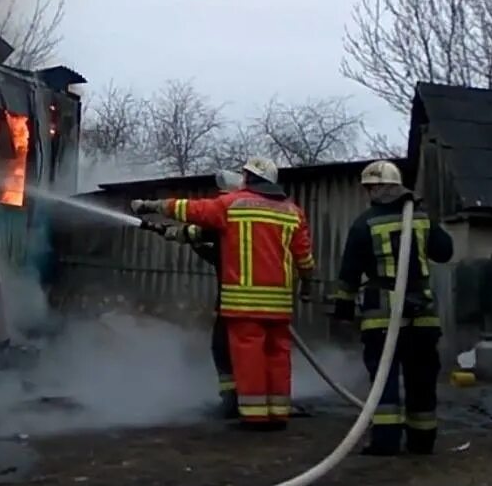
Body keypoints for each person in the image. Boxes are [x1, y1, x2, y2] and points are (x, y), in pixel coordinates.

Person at [132, 157, 314, 430]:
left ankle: (255, 418)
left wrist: (152, 206)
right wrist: (308, 284)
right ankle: (278, 414)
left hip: (243, 303)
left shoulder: (232, 205)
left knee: (249, 356)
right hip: (279, 304)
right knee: (277, 356)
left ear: (249, 177)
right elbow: (305, 257)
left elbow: (193, 210)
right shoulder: (292, 211)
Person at [329, 160, 455, 456]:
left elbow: (349, 274)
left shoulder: (364, 223)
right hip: (422, 315)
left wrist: (343, 312)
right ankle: (422, 441)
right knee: (422, 378)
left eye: (368, 187)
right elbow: (445, 252)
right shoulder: (421, 218)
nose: (367, 193)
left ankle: (385, 441)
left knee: (383, 380)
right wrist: (427, 221)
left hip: (381, 316)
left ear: (377, 188)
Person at [157, 168, 243, 419]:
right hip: (245, 305)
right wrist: (183, 238)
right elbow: (213, 248)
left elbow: (215, 250)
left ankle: (234, 401)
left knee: (224, 350)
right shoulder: (242, 225)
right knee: (230, 351)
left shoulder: (233, 220)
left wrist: (187, 238)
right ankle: (246, 401)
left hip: (233, 304)